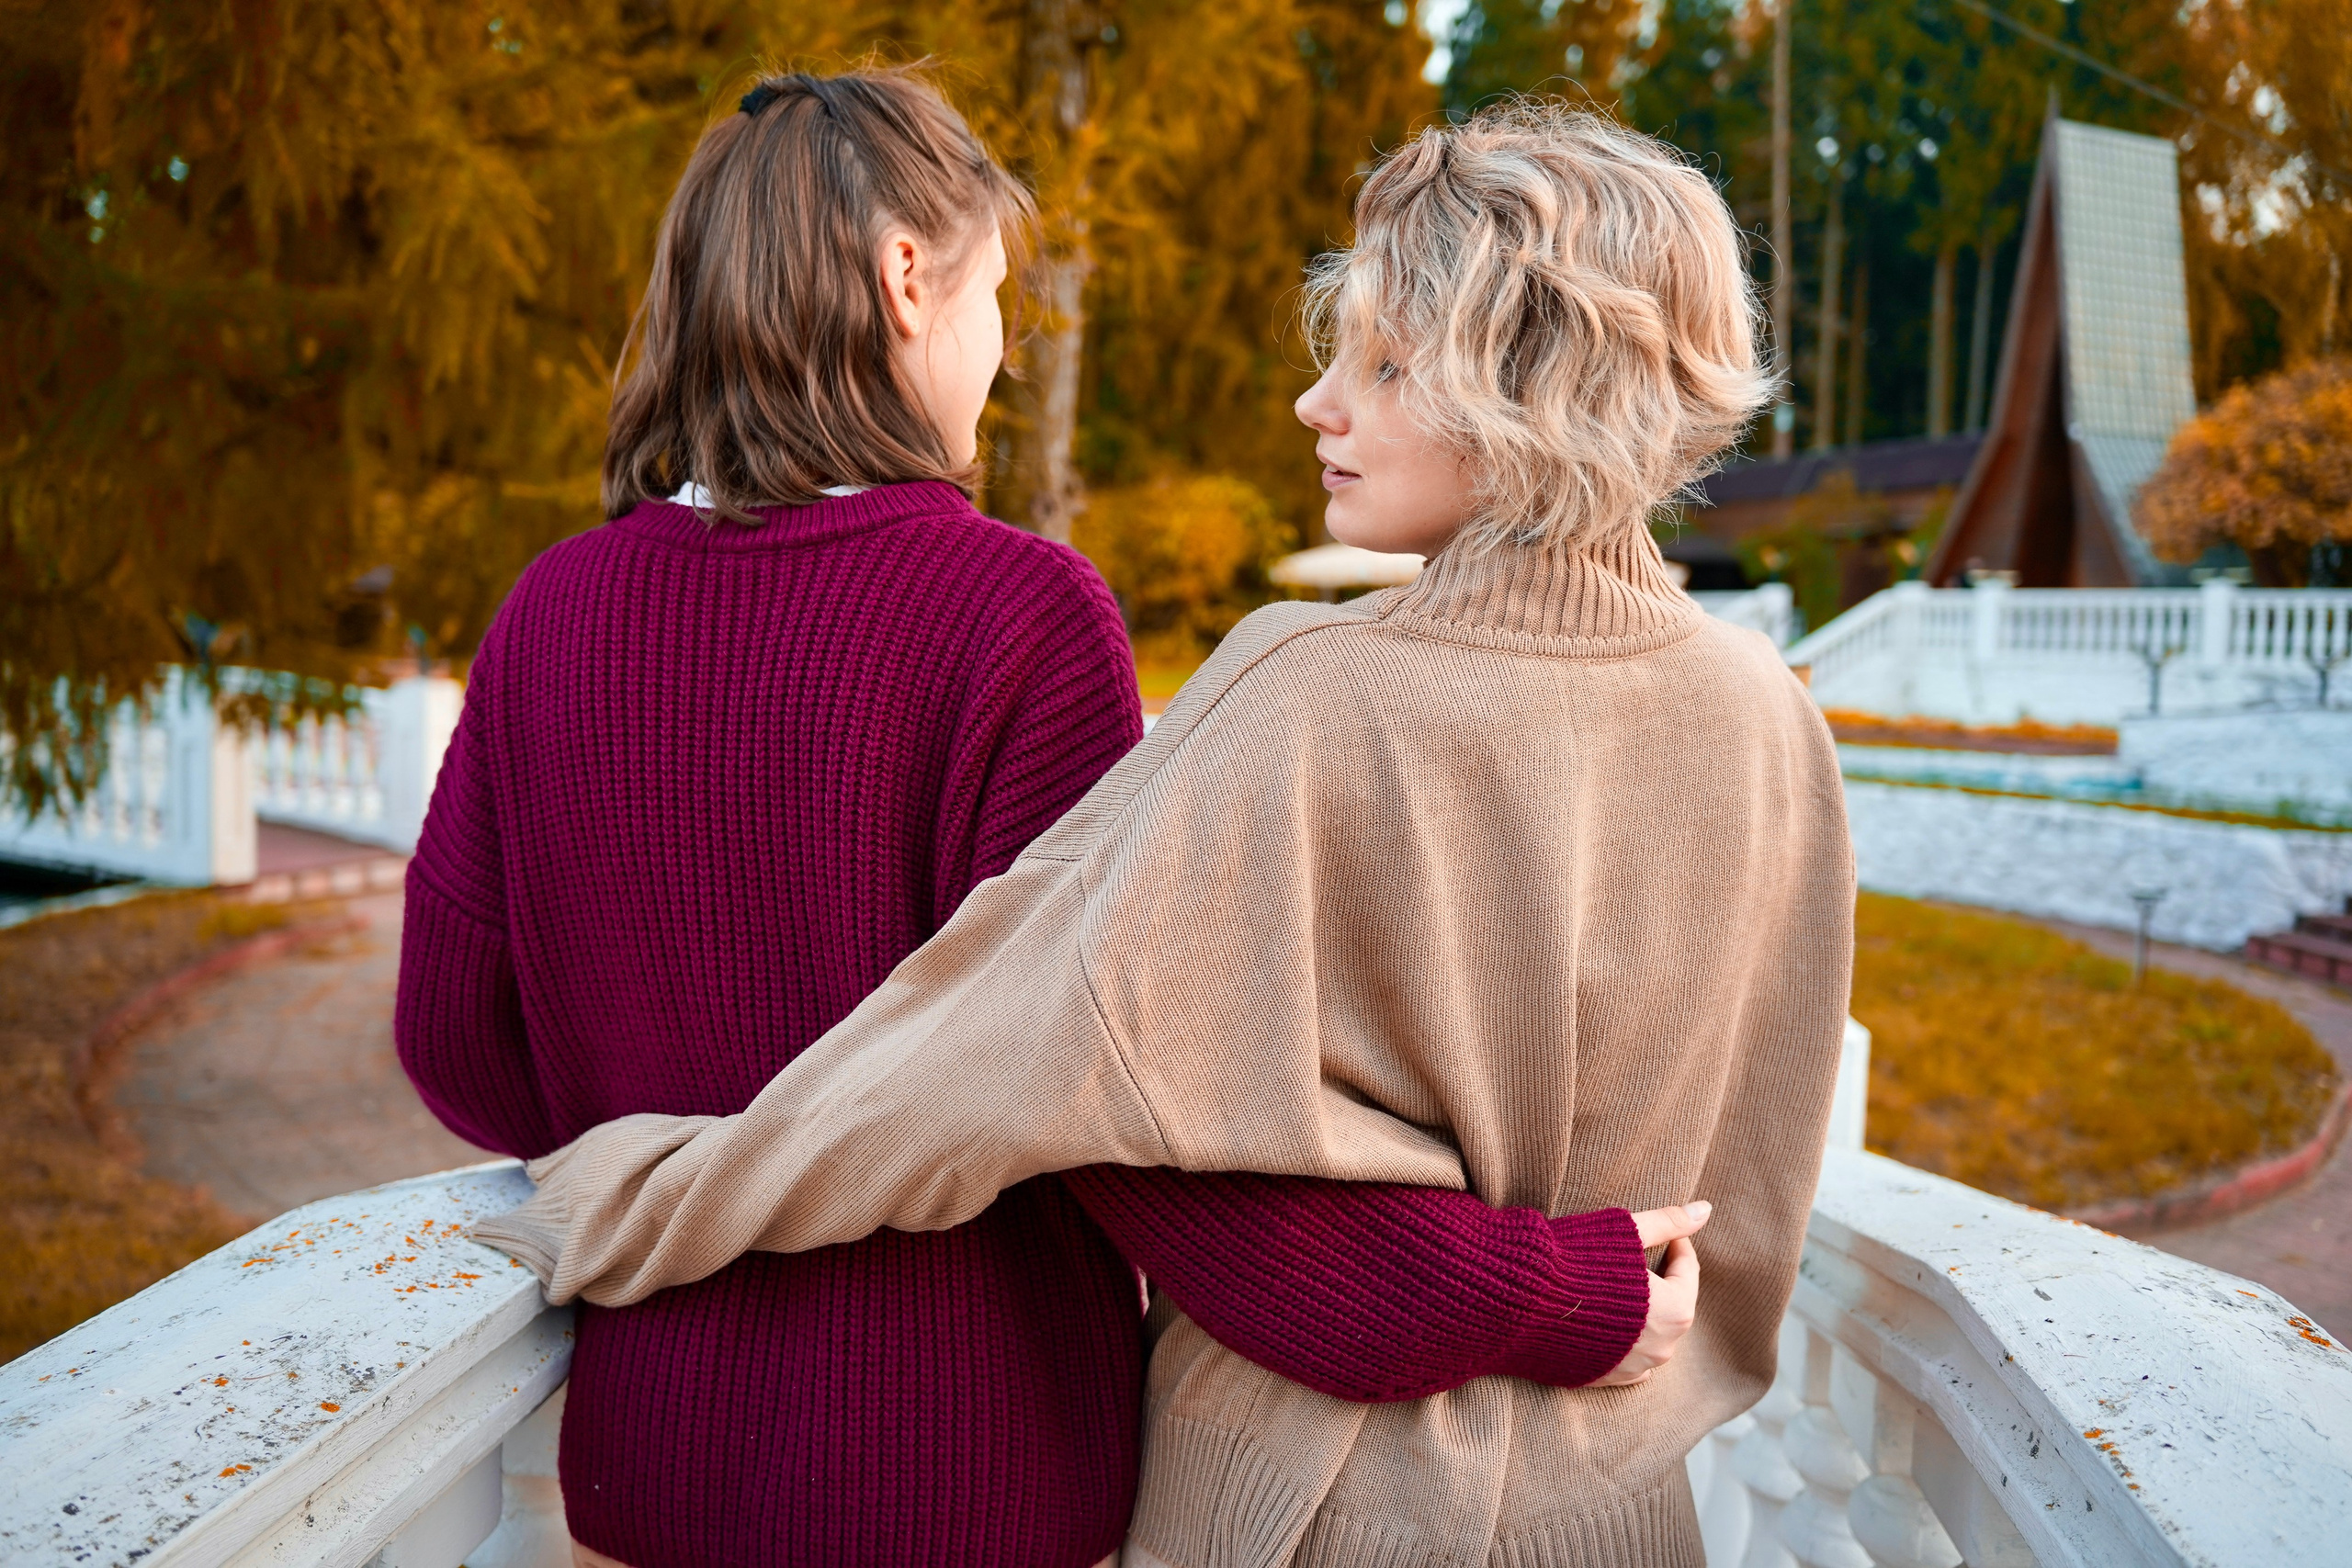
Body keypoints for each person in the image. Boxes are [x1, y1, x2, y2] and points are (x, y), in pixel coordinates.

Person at [475, 98, 1854, 1565]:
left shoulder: (1304, 692)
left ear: (1535, 381)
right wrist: (1585, 1302)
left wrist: (639, 1201)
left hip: (1295, 1503)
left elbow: (1043, 1072)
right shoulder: (1776, 723)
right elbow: (1755, 1194)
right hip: (1616, 1507)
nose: (1319, 402)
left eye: (1385, 361)